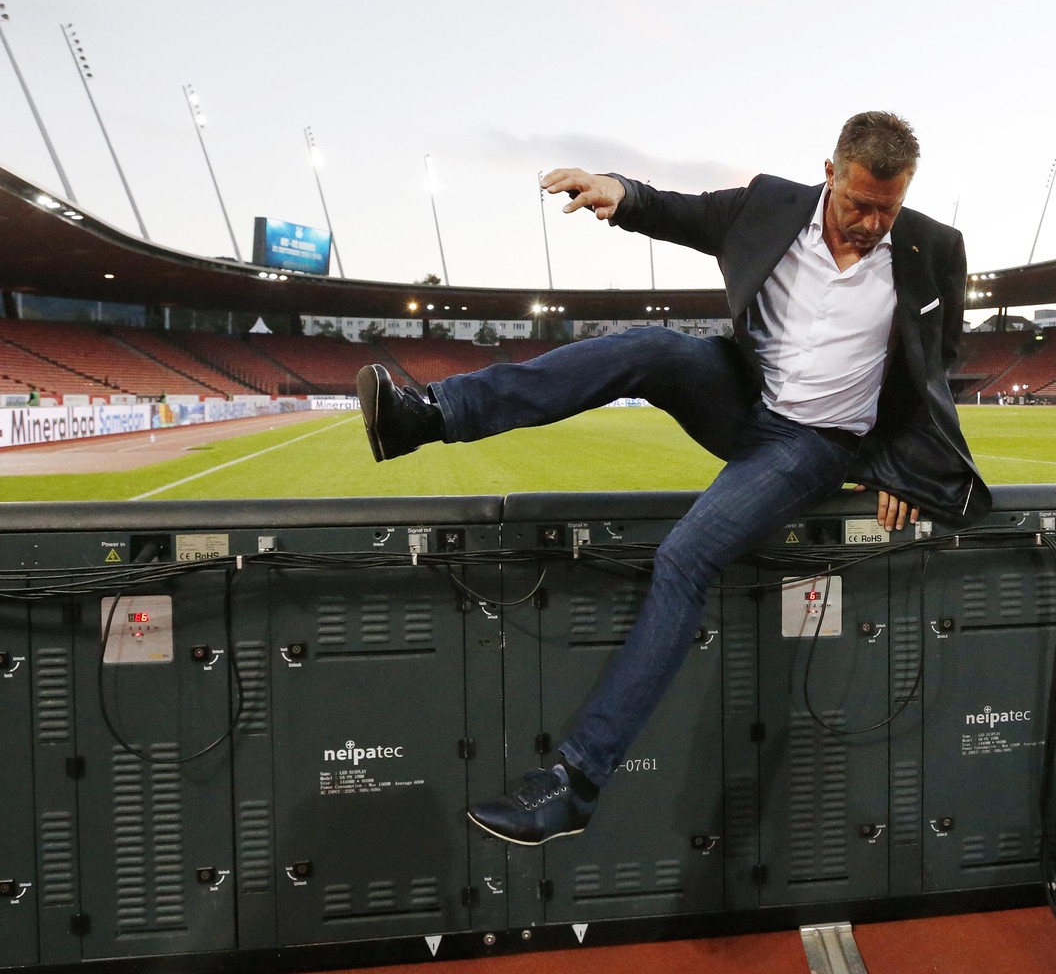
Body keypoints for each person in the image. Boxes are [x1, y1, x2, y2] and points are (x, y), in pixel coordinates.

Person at [355, 110, 990, 846]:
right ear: (830, 174)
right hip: (743, 397)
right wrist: (614, 191)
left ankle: (575, 784)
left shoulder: (932, 249)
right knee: (654, 347)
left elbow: (935, 361)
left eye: (889, 207)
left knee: (684, 558)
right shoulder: (770, 205)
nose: (873, 223)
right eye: (859, 205)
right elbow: (676, 211)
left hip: (816, 443)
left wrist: (900, 462)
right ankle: (427, 415)